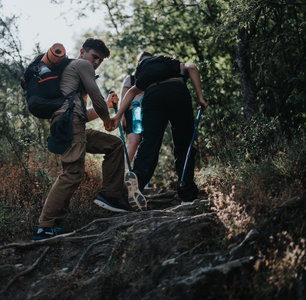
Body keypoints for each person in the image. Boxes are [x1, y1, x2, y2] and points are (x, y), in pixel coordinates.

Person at [33, 38, 145, 240]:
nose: (96, 63)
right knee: (72, 173)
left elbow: (83, 113)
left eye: (100, 60)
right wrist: (109, 120)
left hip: (74, 124)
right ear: (82, 52)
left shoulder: (73, 73)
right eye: (94, 57)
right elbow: (97, 98)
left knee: (114, 145)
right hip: (69, 125)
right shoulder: (81, 64)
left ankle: (111, 196)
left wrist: (109, 111)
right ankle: (45, 226)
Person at [111, 55, 208, 202]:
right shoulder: (175, 66)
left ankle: (137, 183)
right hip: (178, 92)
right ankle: (186, 189)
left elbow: (131, 91)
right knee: (183, 143)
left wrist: (118, 116)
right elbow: (193, 68)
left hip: (152, 96)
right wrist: (200, 97)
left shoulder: (145, 74)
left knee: (150, 142)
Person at [119, 52, 153, 168]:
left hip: (149, 113)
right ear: (138, 63)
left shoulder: (154, 81)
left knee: (146, 145)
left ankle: (140, 176)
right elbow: (123, 98)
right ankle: (124, 171)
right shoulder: (131, 79)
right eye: (145, 61)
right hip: (134, 112)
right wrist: (121, 116)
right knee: (133, 141)